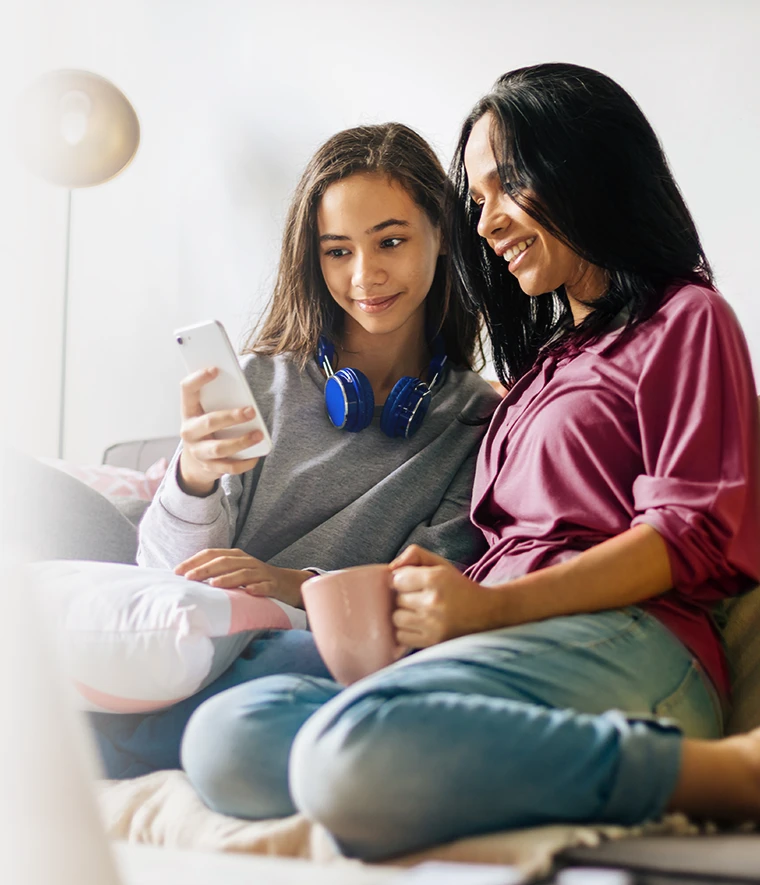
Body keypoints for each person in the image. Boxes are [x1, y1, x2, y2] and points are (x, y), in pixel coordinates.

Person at [178, 63, 760, 859]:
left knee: (343, 753)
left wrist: (490, 610)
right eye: (478, 202)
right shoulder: (535, 376)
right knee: (228, 736)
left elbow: (691, 533)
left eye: (507, 186)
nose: (486, 224)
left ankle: (720, 774)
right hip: (494, 645)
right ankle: (451, 769)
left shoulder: (684, 319)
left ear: (586, 165)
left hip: (623, 638)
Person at [90, 122, 501, 777]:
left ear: (441, 233)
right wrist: (192, 480)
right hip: (195, 633)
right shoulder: (259, 379)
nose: (365, 275)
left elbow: (429, 593)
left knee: (275, 685)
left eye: (390, 241)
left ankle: (89, 738)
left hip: (303, 652)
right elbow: (168, 576)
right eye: (337, 251)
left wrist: (293, 588)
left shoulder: (480, 423)